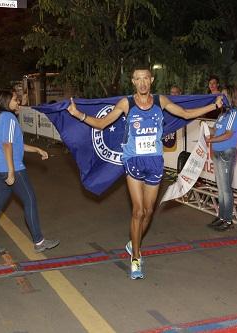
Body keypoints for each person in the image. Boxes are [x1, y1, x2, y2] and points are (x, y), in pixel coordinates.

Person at [67, 68, 219, 279]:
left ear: (152, 80)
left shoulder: (160, 101)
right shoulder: (126, 103)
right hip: (133, 161)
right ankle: (136, 257)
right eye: (138, 79)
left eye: (146, 78)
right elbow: (102, 123)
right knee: (138, 211)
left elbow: (184, 114)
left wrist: (213, 105)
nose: (142, 83)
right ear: (133, 82)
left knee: (148, 212)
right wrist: (78, 114)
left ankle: (133, 242)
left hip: (155, 162)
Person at [0, 89, 59, 256]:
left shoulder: (0, 118)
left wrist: (37, 149)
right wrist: (11, 172)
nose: (19, 102)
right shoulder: (9, 118)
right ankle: (39, 242)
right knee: (30, 201)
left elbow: (16, 145)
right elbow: (7, 145)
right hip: (13, 169)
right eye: (16, 100)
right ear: (6, 102)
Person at [205, 85, 237, 231]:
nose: (221, 97)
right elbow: (215, 130)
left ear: (231, 96)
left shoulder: (235, 113)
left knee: (226, 189)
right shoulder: (223, 114)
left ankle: (227, 220)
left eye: (223, 95)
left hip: (226, 153)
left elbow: (228, 134)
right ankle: (222, 216)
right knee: (221, 188)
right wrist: (206, 129)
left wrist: (211, 141)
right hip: (218, 153)